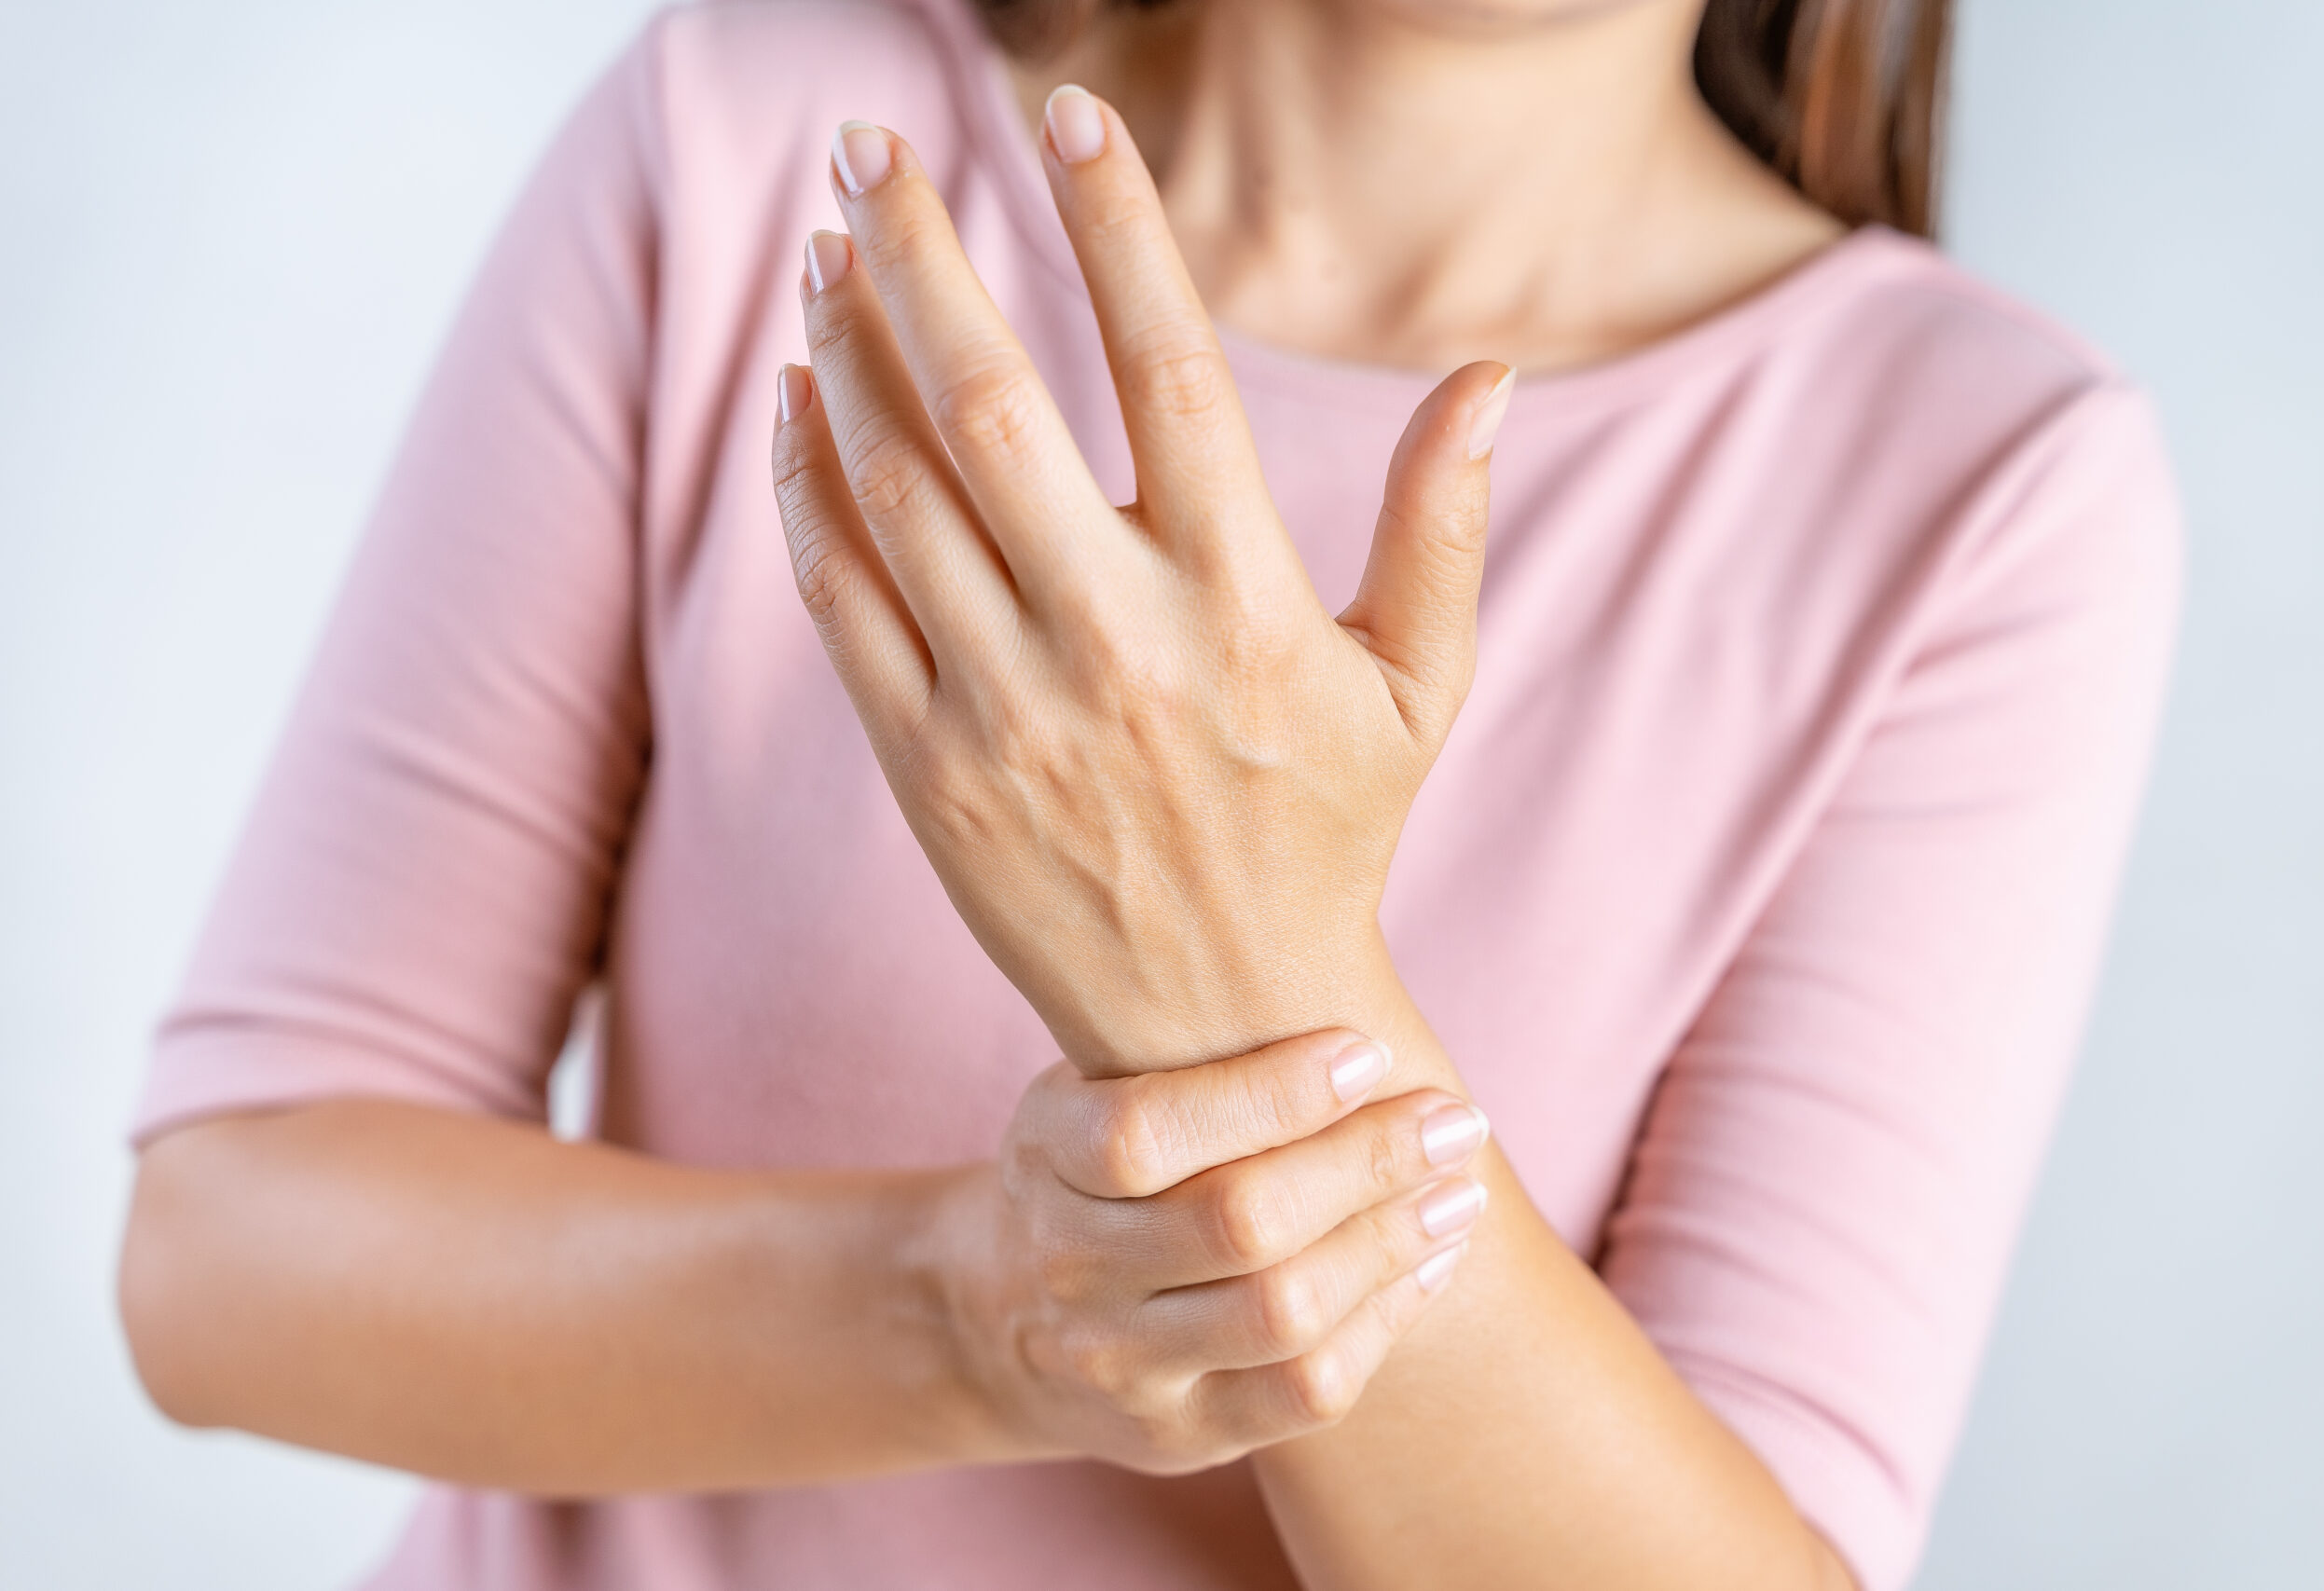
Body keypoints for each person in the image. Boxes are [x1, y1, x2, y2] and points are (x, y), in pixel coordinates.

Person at [115, 0, 2180, 1586]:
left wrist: (1243, 960)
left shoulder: (1976, 484)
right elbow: (226, 1256)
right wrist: (977, 1314)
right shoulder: (762, 130)